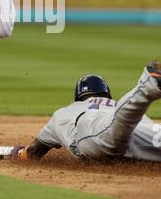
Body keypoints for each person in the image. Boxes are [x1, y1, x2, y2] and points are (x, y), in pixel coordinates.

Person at [12, 60, 161, 162]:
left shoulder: (65, 112)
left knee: (114, 132)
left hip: (96, 130)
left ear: (77, 97)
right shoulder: (114, 103)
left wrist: (19, 153)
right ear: (107, 94)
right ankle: (149, 86)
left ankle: (148, 85)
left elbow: (33, 153)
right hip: (139, 128)